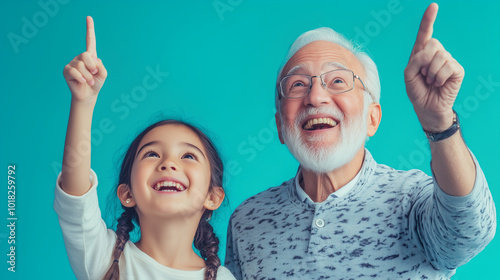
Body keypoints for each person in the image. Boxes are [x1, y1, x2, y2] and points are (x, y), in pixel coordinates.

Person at [225, 3, 496, 279]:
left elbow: (470, 231)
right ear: (281, 127)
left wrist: (440, 124)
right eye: (297, 84)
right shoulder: (247, 220)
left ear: (372, 119)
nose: (315, 97)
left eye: (338, 81)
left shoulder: (413, 200)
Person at [54, 16, 236, 280]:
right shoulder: (103, 257)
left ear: (213, 197)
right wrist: (84, 102)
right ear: (127, 194)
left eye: (188, 155)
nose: (169, 163)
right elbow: (75, 200)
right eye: (151, 154)